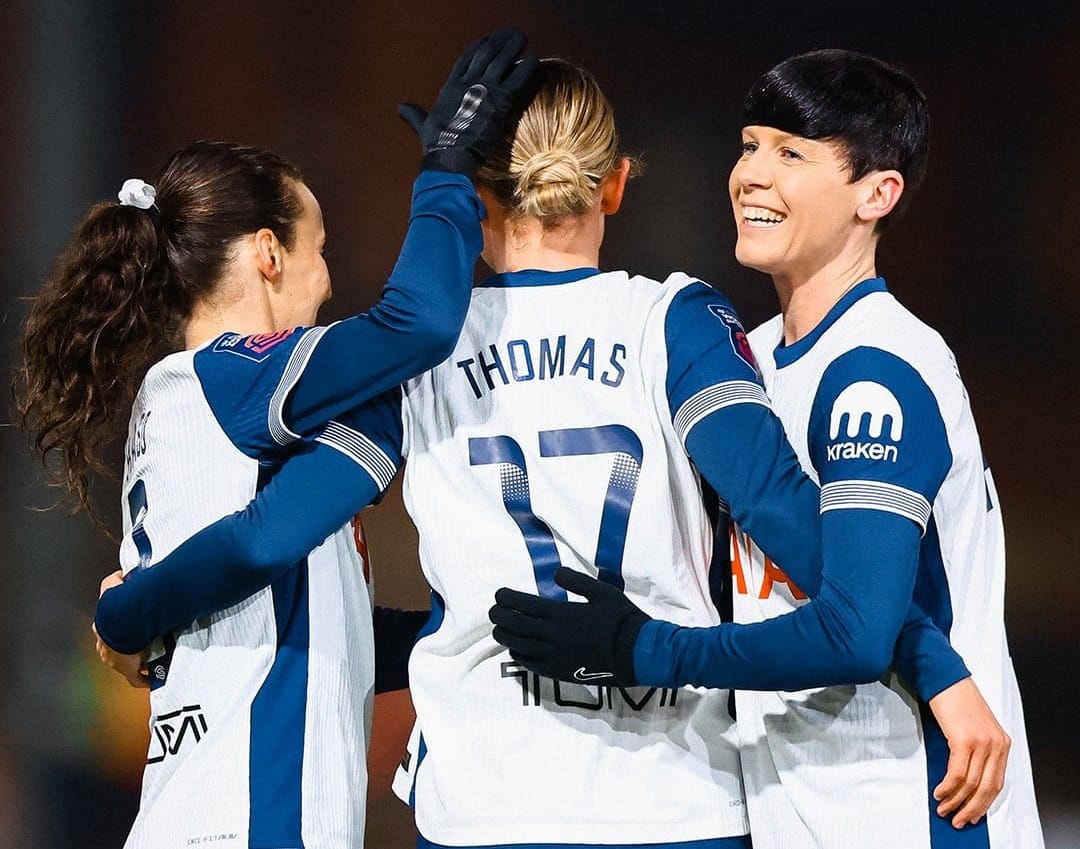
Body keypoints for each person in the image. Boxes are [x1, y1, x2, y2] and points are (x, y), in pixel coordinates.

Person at [91, 57, 1007, 849]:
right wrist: (931, 656)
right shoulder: (678, 324)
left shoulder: (416, 360)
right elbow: (788, 520)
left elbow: (273, 531)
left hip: (482, 802)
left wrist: (144, 605)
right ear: (614, 183)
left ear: (481, 191)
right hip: (669, 797)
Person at [490, 50, 1044, 847]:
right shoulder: (748, 359)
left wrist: (645, 648)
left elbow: (854, 632)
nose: (752, 173)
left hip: (916, 808)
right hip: (796, 808)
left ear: (876, 193)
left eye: (792, 153)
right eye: (750, 144)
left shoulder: (874, 370)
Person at [17, 28, 537, 849]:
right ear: (267, 253)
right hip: (244, 825)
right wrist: (447, 177)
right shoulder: (232, 375)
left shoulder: (191, 405)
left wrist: (483, 622)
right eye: (319, 250)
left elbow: (312, 621)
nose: (328, 280)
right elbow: (420, 323)